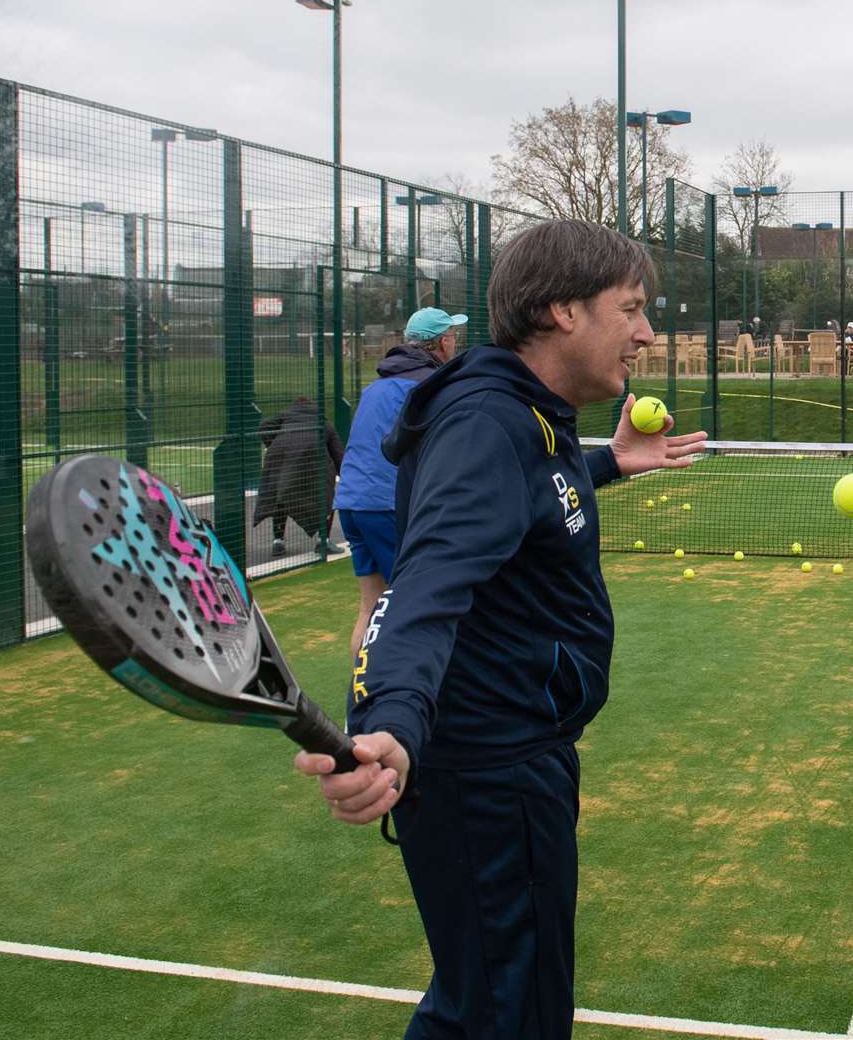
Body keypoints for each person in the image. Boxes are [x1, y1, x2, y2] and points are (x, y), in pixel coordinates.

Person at [293, 219, 706, 1040]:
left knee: (488, 1007)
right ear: (561, 310)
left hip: (509, 761)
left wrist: (608, 464)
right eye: (629, 308)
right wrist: (391, 727)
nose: (646, 333)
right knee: (504, 1017)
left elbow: (530, 497)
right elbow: (427, 587)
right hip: (485, 775)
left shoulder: (525, 418)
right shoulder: (490, 423)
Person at [333, 306, 465, 665]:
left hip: (352, 504)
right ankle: (409, 699)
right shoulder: (430, 386)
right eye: (453, 335)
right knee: (415, 607)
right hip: (389, 506)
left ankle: (361, 698)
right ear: (441, 342)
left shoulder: (376, 387)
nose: (456, 341)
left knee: (371, 607)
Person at [253, 395, 343, 556]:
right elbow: (338, 454)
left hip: (281, 461)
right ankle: (323, 541)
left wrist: (273, 444)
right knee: (326, 498)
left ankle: (278, 541)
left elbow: (263, 426)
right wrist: (345, 474)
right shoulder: (324, 422)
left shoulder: (285, 417)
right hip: (314, 464)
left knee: (281, 499)